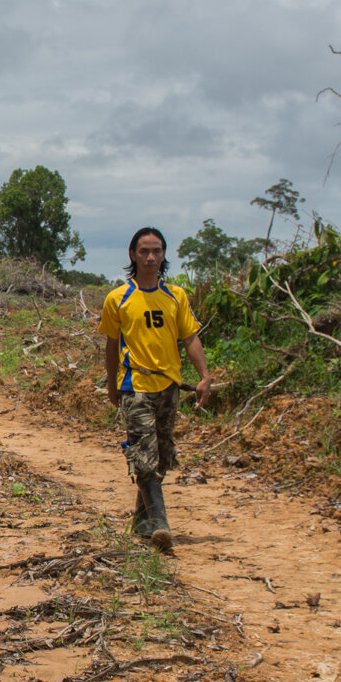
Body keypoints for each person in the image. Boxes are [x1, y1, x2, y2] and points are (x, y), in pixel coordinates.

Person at [97, 226, 214, 554]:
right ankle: (161, 524)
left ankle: (142, 521)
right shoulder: (118, 298)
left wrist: (204, 375)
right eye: (144, 251)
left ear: (164, 255)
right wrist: (111, 383)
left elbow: (189, 337)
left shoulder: (175, 296)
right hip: (135, 387)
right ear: (133, 255)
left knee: (161, 457)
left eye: (157, 251)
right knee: (144, 457)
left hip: (170, 386)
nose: (151, 257)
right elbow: (110, 344)